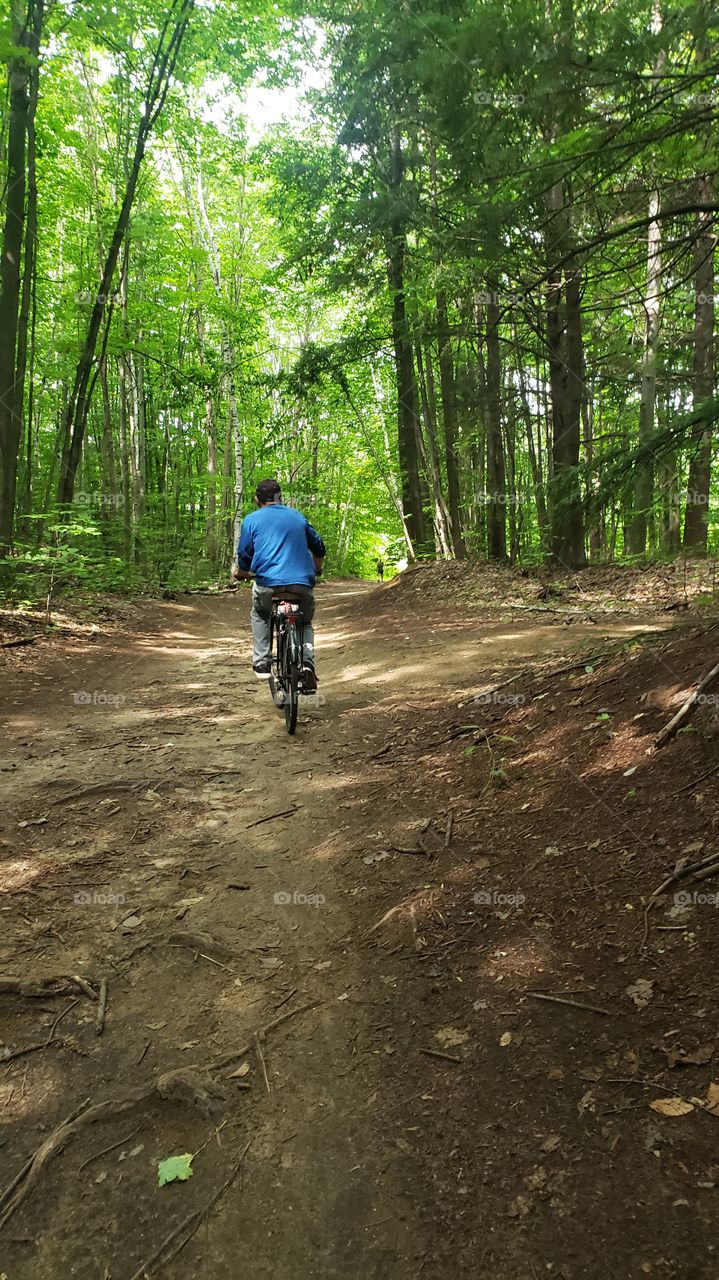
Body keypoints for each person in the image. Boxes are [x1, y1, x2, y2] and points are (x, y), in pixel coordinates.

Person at [233, 479, 325, 686]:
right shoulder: (297, 517)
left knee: (260, 614)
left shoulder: (251, 520)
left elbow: (245, 553)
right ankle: (307, 663)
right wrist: (316, 569)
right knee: (304, 622)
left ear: (256, 499)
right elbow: (319, 547)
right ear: (280, 498)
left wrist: (243, 572)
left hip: (267, 584)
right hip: (301, 584)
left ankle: (262, 663)